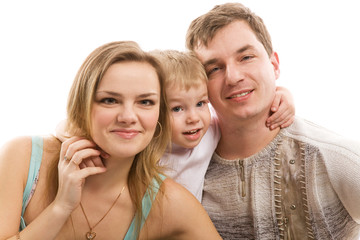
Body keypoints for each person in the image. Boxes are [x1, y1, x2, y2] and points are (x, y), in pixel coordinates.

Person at [0, 41, 222, 239]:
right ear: (82, 105)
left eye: (145, 102)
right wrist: (61, 207)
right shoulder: (22, 157)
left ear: (159, 114)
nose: (127, 117)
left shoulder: (169, 202)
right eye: (109, 100)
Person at [186, 2, 360, 239]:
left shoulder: (334, 157)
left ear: (274, 65)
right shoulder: (188, 167)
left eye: (246, 57)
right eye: (214, 69)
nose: (233, 77)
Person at [151, 49, 295, 201]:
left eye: (200, 103)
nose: (193, 118)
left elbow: (236, 114)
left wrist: (283, 94)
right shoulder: (145, 148)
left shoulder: (209, 132)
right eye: (177, 108)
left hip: (187, 221)